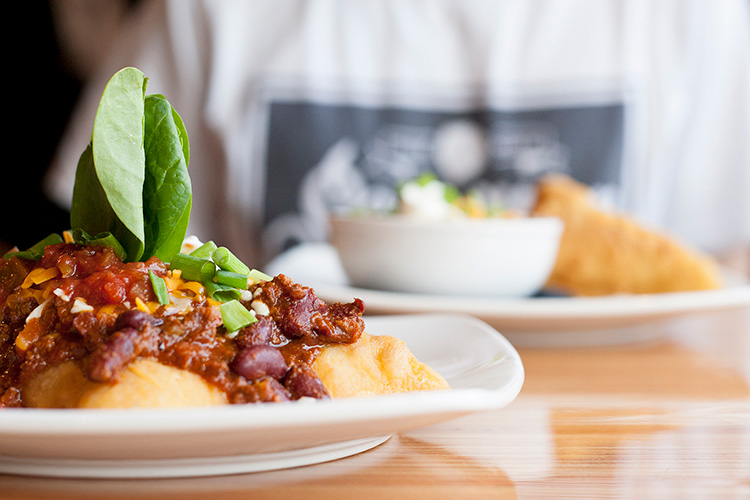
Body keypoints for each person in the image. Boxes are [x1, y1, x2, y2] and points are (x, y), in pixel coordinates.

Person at [45, 0, 750, 273]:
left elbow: (725, 269)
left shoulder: (695, 18)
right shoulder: (208, 14)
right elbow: (112, 259)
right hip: (285, 438)